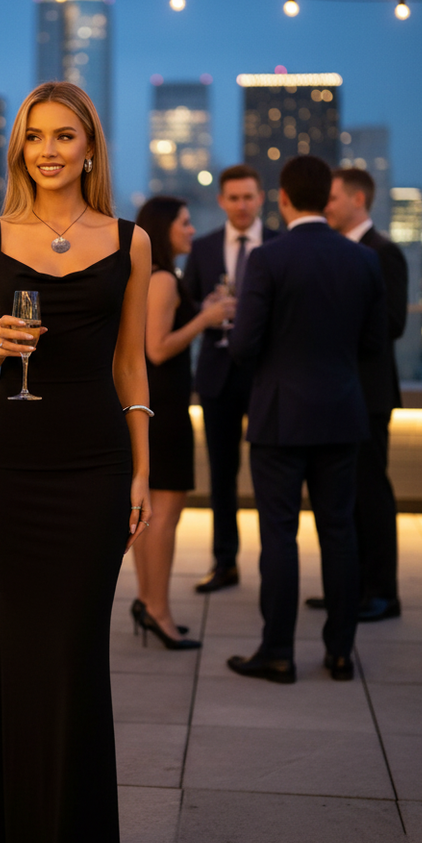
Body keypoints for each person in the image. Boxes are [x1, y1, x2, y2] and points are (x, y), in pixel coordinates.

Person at [0, 82, 151, 843]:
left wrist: (143, 472)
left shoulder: (132, 242)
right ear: (20, 149)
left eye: (64, 136)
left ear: (89, 147)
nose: (48, 149)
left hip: (95, 465)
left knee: (73, 656)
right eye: (34, 136)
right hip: (12, 468)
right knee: (28, 653)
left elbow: (132, 370)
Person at [227, 156, 387, 684]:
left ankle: (277, 652)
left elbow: (245, 343)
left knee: (279, 536)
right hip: (342, 412)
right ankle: (340, 653)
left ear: (283, 198)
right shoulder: (363, 261)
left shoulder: (269, 259)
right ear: (328, 198)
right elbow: (372, 343)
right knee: (339, 532)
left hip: (279, 416)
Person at [304, 168, 407, 621]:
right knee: (343, 496)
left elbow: (392, 324)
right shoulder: (346, 250)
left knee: (370, 494)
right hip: (340, 393)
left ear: (358, 199)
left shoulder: (384, 252)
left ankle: (382, 592)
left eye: (333, 198)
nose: (326, 206)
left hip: (367, 395)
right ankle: (350, 586)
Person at [132, 196, 235, 649]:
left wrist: (201, 310)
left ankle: (148, 603)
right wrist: (208, 319)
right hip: (165, 409)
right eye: (185, 223)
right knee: (163, 516)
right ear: (164, 228)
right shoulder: (163, 280)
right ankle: (158, 610)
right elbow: (157, 348)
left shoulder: (154, 277)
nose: (192, 230)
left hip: (154, 405)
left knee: (147, 517)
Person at [182, 164, 277, 593]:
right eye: (233, 198)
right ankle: (225, 562)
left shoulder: (280, 246)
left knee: (270, 475)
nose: (241, 205)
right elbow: (185, 312)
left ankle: (276, 567)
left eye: (248, 197)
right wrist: (207, 309)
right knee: (221, 475)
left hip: (265, 376)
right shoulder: (201, 249)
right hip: (217, 375)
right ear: (221, 201)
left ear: (262, 199)